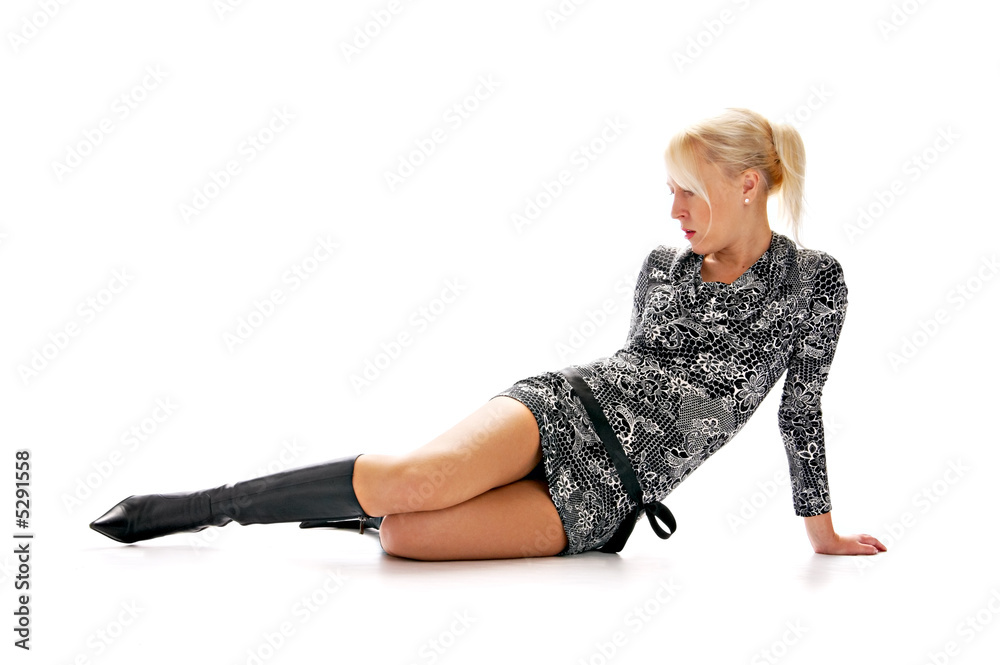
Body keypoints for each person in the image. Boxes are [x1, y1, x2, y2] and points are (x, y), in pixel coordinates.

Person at [90, 107, 887, 561]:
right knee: (419, 477)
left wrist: (822, 535)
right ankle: (205, 506)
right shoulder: (662, 266)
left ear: (746, 184)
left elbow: (799, 410)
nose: (673, 210)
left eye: (688, 191)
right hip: (568, 407)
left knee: (404, 536)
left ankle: (362, 512)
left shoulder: (814, 283)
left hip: (611, 498)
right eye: (669, 190)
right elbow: (632, 370)